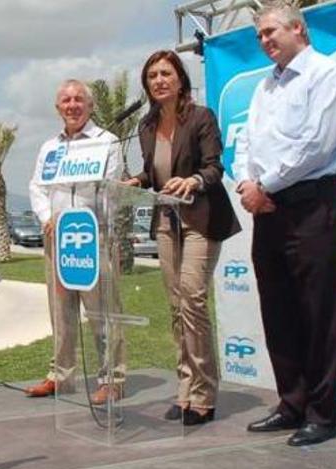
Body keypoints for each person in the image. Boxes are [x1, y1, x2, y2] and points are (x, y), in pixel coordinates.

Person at [233, 1, 336, 446]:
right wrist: (248, 181)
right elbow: (246, 139)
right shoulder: (265, 85)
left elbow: (317, 144)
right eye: (260, 35)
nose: (265, 40)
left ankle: (321, 416)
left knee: (317, 313)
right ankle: (292, 403)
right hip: (268, 209)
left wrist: (264, 183)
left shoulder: (328, 75)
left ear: (298, 29)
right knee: (279, 310)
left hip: (310, 205)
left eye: (271, 32)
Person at [124, 50, 241, 425]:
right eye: (152, 75)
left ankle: (204, 394)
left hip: (201, 219)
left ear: (180, 80)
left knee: (192, 300)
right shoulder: (145, 126)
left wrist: (192, 180)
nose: (159, 80)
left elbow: (214, 167)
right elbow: (153, 172)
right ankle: (185, 388)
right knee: (176, 308)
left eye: (166, 73)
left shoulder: (201, 117)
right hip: (165, 222)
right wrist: (136, 182)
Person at [26, 79, 126, 403]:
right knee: (61, 314)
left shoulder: (106, 142)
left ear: (90, 106)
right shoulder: (49, 147)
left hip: (91, 239)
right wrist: (46, 218)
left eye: (79, 99)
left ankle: (112, 379)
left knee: (102, 313)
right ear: (58, 108)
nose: (73, 105)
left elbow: (112, 189)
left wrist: (101, 226)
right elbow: (37, 188)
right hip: (57, 240)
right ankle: (61, 376)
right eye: (66, 100)